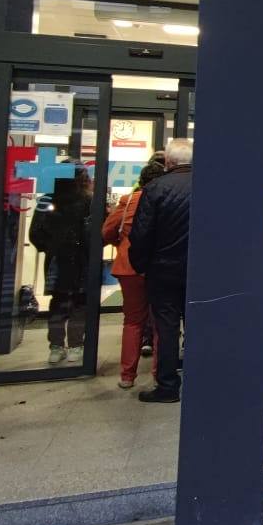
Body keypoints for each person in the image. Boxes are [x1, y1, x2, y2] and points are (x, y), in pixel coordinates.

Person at [128, 138, 194, 403]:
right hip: (199, 272)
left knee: (166, 329)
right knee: (197, 327)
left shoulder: (155, 188)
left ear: (168, 161)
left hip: (163, 271)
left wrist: (141, 265)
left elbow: (141, 233)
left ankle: (167, 385)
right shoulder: (210, 186)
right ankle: (200, 379)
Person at [102, 157, 167, 389]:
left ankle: (127, 375)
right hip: (158, 266)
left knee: (132, 322)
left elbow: (108, 231)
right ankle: (160, 373)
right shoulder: (165, 200)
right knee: (161, 321)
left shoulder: (128, 202)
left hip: (129, 267)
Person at [29, 165, 91, 367]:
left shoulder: (47, 199)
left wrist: (52, 247)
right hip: (82, 258)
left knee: (59, 302)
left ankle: (56, 347)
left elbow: (36, 233)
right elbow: (97, 230)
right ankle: (75, 345)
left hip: (57, 258)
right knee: (79, 303)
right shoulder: (88, 200)